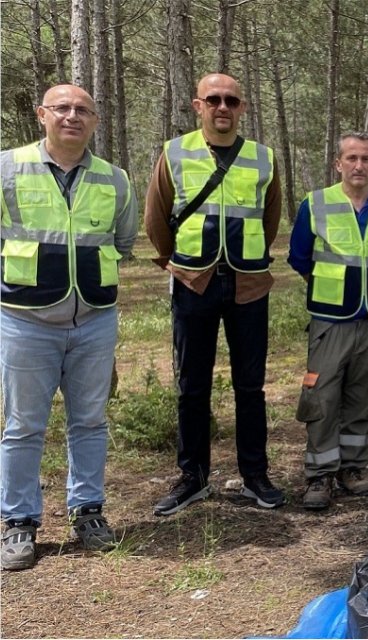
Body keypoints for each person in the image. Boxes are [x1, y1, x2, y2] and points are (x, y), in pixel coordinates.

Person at [0, 85, 136, 570]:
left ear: (96, 121)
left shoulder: (115, 179)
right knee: (23, 426)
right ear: (42, 115)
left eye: (83, 110)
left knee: (90, 422)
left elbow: (122, 240)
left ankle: (89, 512)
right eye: (62, 108)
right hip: (24, 321)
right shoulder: (7, 167)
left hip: (94, 320)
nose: (72, 116)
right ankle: (19, 523)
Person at [145, 73, 284, 515]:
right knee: (192, 384)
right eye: (214, 100)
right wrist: (175, 261)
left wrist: (253, 257)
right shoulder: (175, 152)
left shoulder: (263, 158)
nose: (223, 107)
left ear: (242, 108)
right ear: (198, 105)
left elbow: (270, 216)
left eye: (232, 100)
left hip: (248, 282)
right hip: (193, 281)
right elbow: (156, 213)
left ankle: (255, 476)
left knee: (251, 385)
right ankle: (193, 476)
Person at [288, 133, 368, 510]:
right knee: (321, 397)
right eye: (351, 158)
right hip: (330, 321)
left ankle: (352, 468)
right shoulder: (316, 203)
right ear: (338, 163)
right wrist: (328, 288)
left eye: (366, 159)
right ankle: (318, 474)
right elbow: (300, 256)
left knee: (362, 396)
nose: (359, 165)